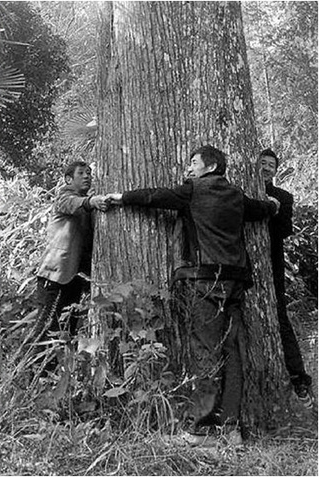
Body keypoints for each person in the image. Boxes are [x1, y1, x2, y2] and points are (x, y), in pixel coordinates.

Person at [103, 145, 279, 445]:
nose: (188, 168)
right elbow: (259, 209)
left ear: (211, 167)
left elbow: (154, 196)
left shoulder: (192, 190)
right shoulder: (236, 194)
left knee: (205, 352)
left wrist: (120, 197)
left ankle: (201, 429)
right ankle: (231, 429)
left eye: (194, 163)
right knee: (232, 354)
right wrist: (273, 206)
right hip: (235, 284)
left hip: (205, 281)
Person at [259, 148, 313, 409]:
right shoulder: (236, 191)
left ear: (276, 171)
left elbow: (283, 230)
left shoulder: (283, 196)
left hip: (272, 261)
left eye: (272, 165)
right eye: (263, 162)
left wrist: (270, 206)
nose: (267, 167)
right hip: (237, 263)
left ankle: (299, 378)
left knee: (279, 316)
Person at [35, 161, 107, 344]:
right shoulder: (65, 196)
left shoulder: (88, 205)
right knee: (45, 330)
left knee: (67, 329)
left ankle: (56, 371)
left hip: (73, 279)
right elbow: (72, 204)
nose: (87, 176)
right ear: (68, 179)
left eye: (89, 173)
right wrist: (91, 201)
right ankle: (33, 372)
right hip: (53, 276)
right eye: (81, 173)